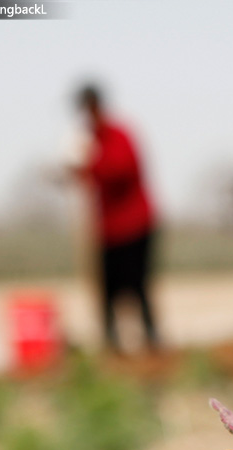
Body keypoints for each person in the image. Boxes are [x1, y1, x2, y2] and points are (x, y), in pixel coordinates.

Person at [70, 83, 159, 353]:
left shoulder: (118, 135)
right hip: (108, 229)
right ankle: (112, 345)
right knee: (107, 289)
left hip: (134, 224)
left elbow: (123, 170)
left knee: (137, 285)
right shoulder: (88, 139)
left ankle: (152, 341)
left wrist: (89, 167)